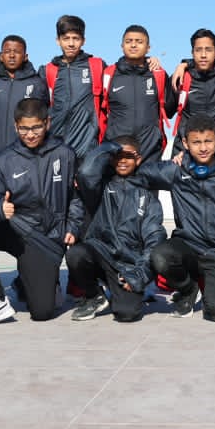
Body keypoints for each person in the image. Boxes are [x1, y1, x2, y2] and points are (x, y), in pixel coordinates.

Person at [0, 98, 85, 326]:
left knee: (42, 312)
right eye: (24, 128)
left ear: (47, 123)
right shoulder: (2, 159)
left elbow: (76, 197)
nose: (30, 134)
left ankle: (27, 282)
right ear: (15, 125)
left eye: (36, 127)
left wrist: (73, 226)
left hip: (45, 238)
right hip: (14, 227)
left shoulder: (65, 154)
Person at [143, 114, 215, 321]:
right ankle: (188, 289)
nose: (203, 148)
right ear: (185, 144)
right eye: (196, 142)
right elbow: (137, 171)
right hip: (188, 246)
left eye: (208, 141)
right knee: (160, 257)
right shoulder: (176, 170)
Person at [66, 137, 167, 323]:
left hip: (128, 265)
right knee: (76, 254)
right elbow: (86, 172)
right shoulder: (100, 186)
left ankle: (123, 290)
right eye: (117, 156)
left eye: (128, 156)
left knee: (126, 314)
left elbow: (154, 239)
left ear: (138, 160)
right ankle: (94, 296)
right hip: (101, 254)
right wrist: (110, 148)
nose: (122, 161)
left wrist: (138, 276)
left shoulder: (148, 197)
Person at [99, 24, 169, 163]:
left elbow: (169, 108)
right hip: (117, 152)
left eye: (139, 41)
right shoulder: (108, 74)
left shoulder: (158, 75)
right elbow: (99, 109)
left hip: (150, 151)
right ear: (122, 46)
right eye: (128, 41)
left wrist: (184, 64)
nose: (133, 45)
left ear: (148, 48)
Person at [42, 14, 105, 160]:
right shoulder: (48, 70)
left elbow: (122, 72)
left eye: (76, 38)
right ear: (58, 41)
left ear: (83, 41)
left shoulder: (96, 66)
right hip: (57, 148)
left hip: (88, 148)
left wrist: (148, 61)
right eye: (66, 38)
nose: (71, 44)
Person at [0, 34, 47, 157]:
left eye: (17, 52)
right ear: (1, 56)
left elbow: (44, 119)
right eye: (7, 52)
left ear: (25, 57)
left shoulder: (37, 83)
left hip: (25, 156)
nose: (11, 55)